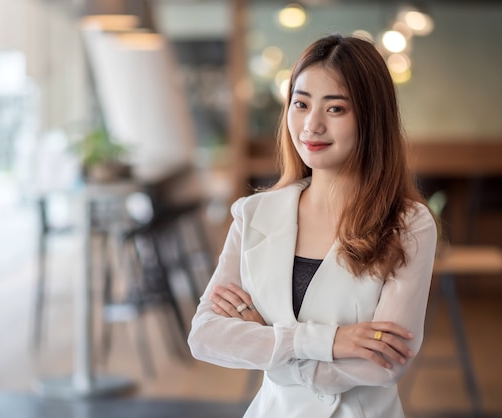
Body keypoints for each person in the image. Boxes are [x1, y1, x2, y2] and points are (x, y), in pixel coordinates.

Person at [187, 33, 437, 418]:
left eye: (335, 109)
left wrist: (267, 341)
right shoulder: (253, 214)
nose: (312, 125)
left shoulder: (407, 224)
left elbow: (385, 363)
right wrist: (330, 341)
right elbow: (205, 337)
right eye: (300, 104)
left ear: (372, 118)